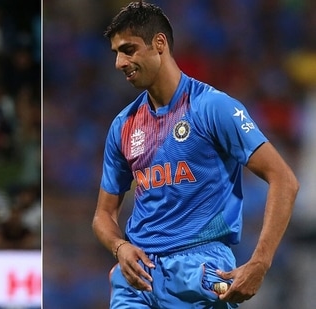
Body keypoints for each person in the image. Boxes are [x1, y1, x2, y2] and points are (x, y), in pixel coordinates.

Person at [91, 2, 299, 308]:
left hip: (198, 269)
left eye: (129, 49)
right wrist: (120, 247)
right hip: (137, 276)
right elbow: (103, 215)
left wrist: (260, 263)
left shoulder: (212, 107)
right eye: (117, 53)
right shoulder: (123, 125)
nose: (120, 62)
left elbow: (284, 178)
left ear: (159, 44)